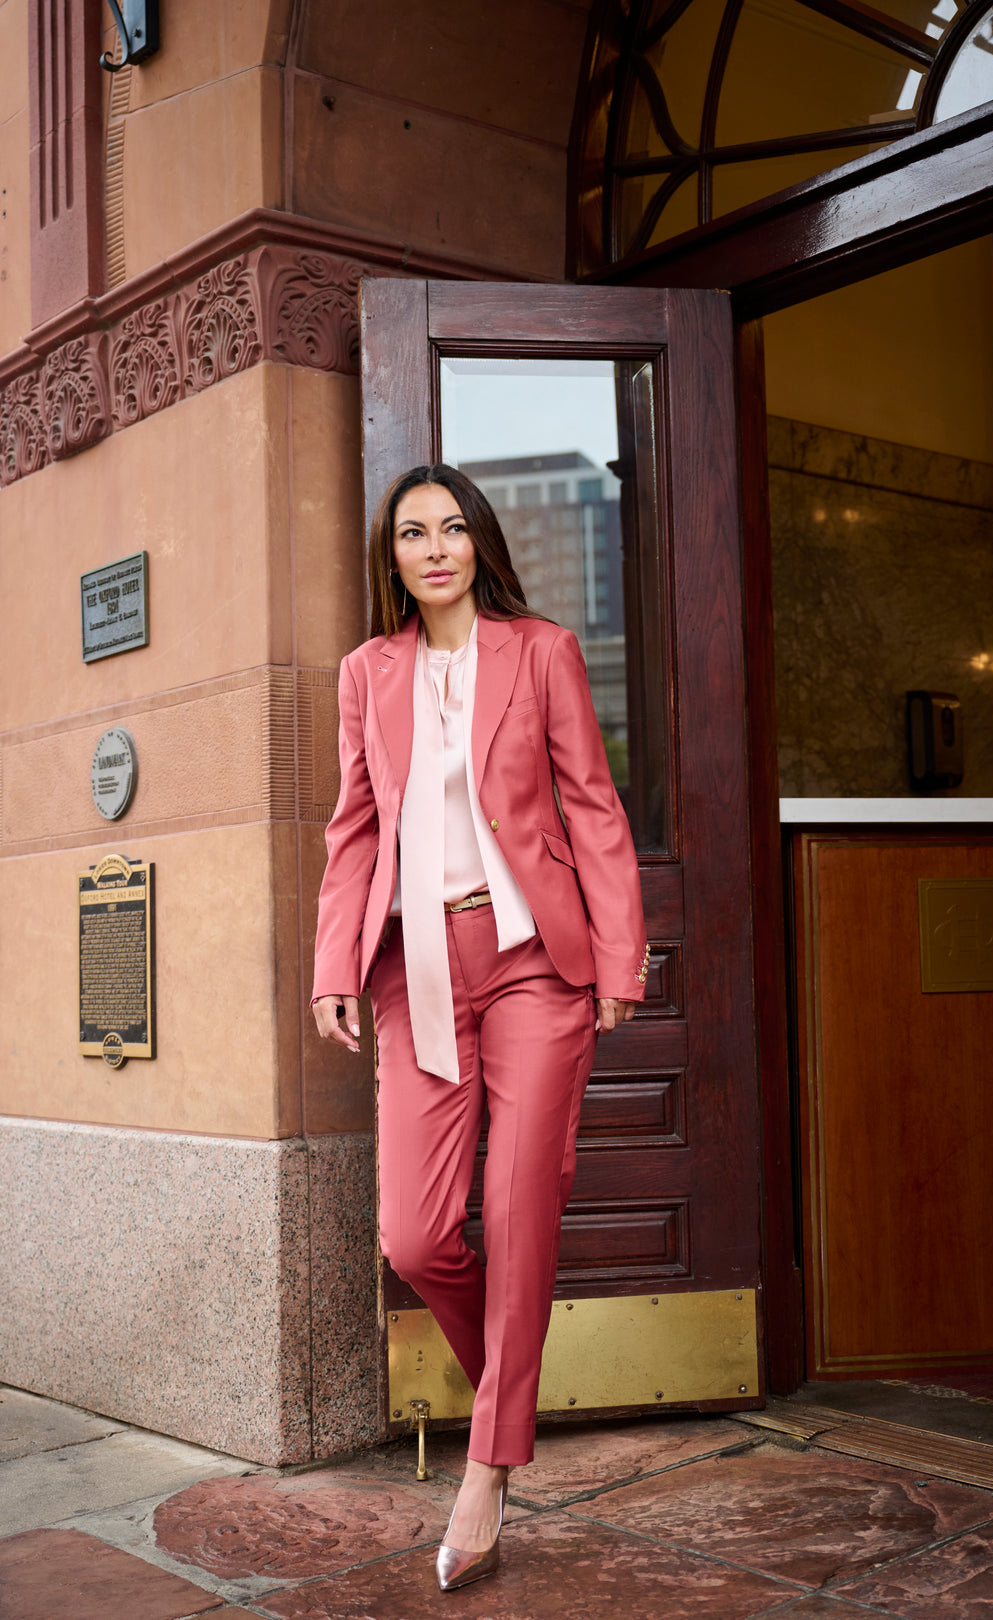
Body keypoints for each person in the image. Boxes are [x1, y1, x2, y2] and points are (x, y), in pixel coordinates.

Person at [311, 464, 648, 1591]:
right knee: (414, 1235)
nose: (436, 546)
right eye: (414, 532)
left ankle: (489, 1467)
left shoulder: (541, 651)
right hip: (414, 962)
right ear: (394, 558)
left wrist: (618, 956)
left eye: (454, 527)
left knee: (516, 1205)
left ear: (478, 542)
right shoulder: (368, 673)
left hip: (529, 964)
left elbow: (592, 804)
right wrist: (334, 966)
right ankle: (513, 1377)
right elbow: (354, 827)